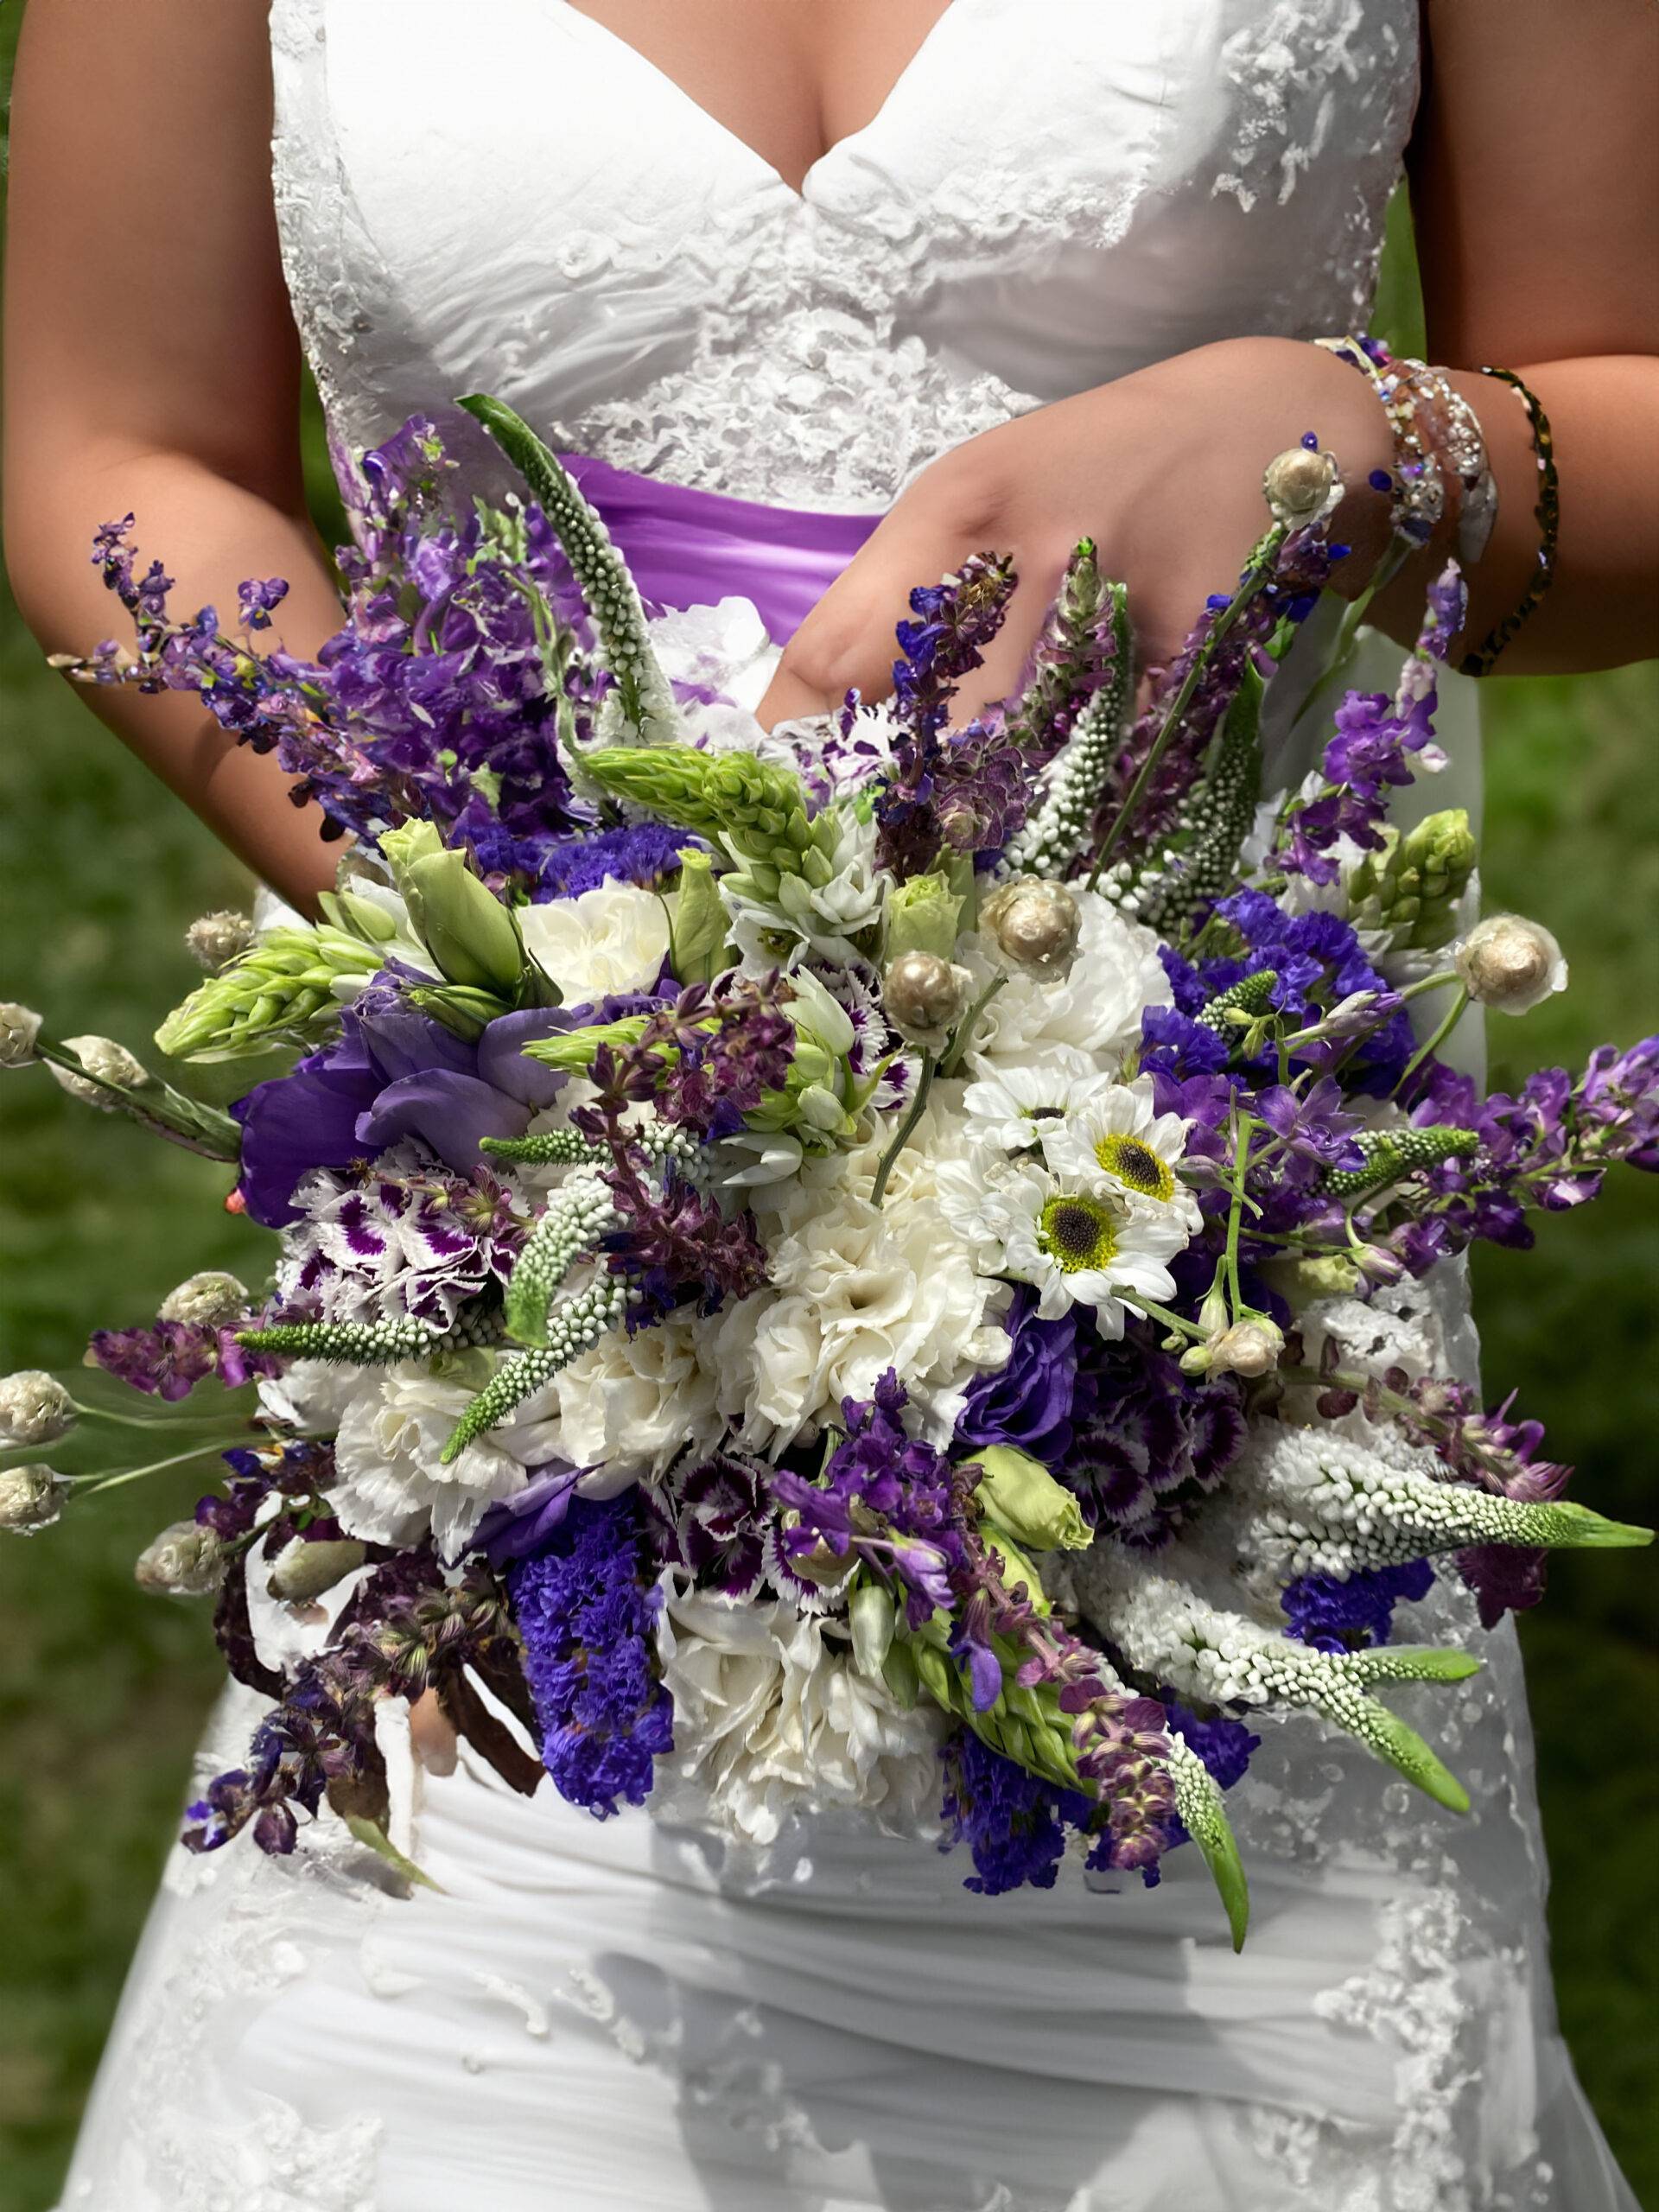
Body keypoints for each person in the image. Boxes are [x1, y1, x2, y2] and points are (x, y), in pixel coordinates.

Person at [5, 3, 1655, 2207]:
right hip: (547, 1379)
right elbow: (110, 437)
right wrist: (555, 978)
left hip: (1219, 1343)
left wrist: (1364, 441)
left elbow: (1620, 394)